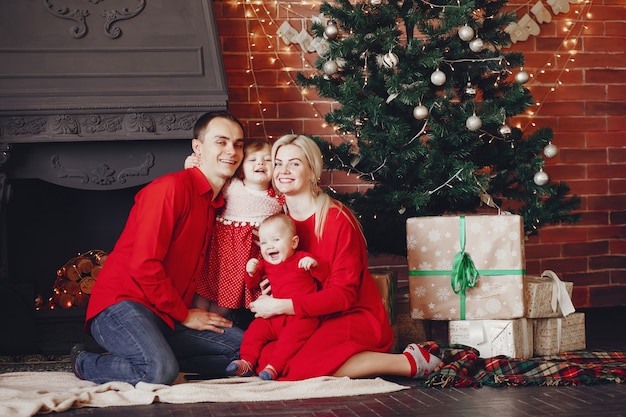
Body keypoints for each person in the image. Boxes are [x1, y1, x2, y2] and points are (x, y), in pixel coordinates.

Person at [71, 111, 247, 385]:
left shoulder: (217, 205)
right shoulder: (170, 189)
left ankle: (151, 356)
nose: (231, 151)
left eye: (238, 144)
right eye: (221, 142)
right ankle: (85, 361)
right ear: (197, 147)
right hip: (122, 304)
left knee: (245, 350)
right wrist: (184, 314)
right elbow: (145, 265)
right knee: (158, 372)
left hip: (167, 313)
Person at [248, 134, 442, 381]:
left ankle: (407, 362)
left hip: (351, 314)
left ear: (312, 171)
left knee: (296, 368)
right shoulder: (279, 224)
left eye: (294, 163)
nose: (283, 170)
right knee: (268, 360)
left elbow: (344, 295)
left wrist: (282, 305)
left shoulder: (336, 219)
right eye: (278, 163)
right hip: (307, 318)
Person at [184, 139, 284, 325]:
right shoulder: (232, 185)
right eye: (252, 160)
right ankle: (194, 325)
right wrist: (192, 165)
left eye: (267, 160)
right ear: (241, 168)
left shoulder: (278, 198)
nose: (260, 164)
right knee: (203, 290)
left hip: (243, 259)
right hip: (219, 251)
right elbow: (203, 181)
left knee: (226, 301)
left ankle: (215, 327)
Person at [226, 213, 329, 380]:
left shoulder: (301, 259)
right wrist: (250, 271)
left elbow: (325, 275)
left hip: (301, 317)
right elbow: (252, 285)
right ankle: (247, 362)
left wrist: (314, 264)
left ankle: (274, 366)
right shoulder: (265, 265)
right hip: (275, 316)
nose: (269, 246)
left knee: (290, 339)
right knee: (255, 330)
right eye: (264, 242)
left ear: (293, 242)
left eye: (275, 240)